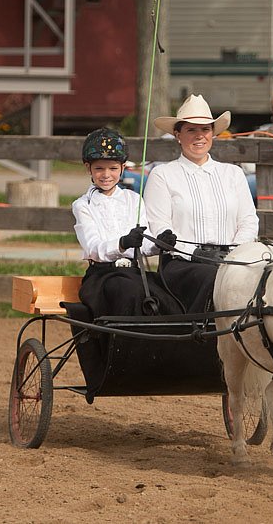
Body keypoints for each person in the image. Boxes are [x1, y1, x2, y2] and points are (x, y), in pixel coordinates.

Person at [72, 128, 179, 391]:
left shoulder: (134, 199)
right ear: (89, 168)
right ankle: (123, 360)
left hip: (134, 273)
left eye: (112, 168)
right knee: (127, 291)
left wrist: (160, 243)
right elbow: (94, 247)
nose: (106, 175)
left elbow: (144, 243)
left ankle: (164, 358)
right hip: (102, 277)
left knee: (167, 298)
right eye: (99, 168)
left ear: (122, 168)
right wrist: (121, 243)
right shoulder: (82, 205)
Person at [144, 94, 259, 313]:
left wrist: (232, 254)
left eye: (205, 129)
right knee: (212, 278)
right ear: (178, 135)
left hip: (232, 260)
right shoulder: (163, 175)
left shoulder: (233, 173)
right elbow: (160, 227)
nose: (199, 136)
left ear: (213, 134)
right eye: (191, 130)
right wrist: (197, 254)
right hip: (183, 264)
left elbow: (248, 221)